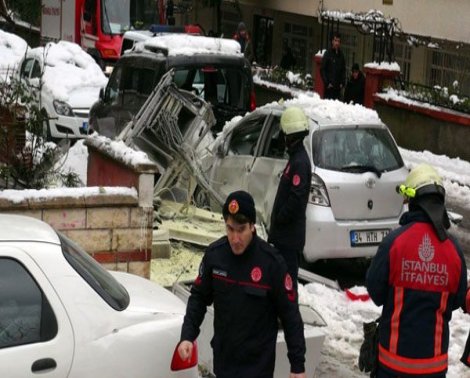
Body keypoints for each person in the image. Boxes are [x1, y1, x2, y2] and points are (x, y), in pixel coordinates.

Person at [178, 190, 307, 378]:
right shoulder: (216, 256)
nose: (235, 238)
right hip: (224, 362)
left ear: (252, 226)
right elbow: (198, 298)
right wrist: (187, 336)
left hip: (257, 366)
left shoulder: (271, 263)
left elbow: (290, 315)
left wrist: (297, 365)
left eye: (241, 230)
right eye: (230, 229)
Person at [366, 164, 467, 378]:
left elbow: (375, 292)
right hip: (434, 368)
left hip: (392, 365)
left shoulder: (394, 243)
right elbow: (457, 299)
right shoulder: (454, 251)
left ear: (413, 201)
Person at [268, 107, 311, 290]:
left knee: (287, 285)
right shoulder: (295, 158)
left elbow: (297, 199)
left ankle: (287, 317)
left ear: (290, 135)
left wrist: (280, 219)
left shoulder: (300, 162)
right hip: (284, 236)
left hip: (288, 238)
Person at [320, 32, 346, 100]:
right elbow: (322, 69)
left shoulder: (341, 55)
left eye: (338, 41)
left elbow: (343, 70)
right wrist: (327, 83)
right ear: (332, 41)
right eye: (335, 40)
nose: (337, 43)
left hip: (338, 89)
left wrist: (342, 82)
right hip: (329, 88)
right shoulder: (328, 53)